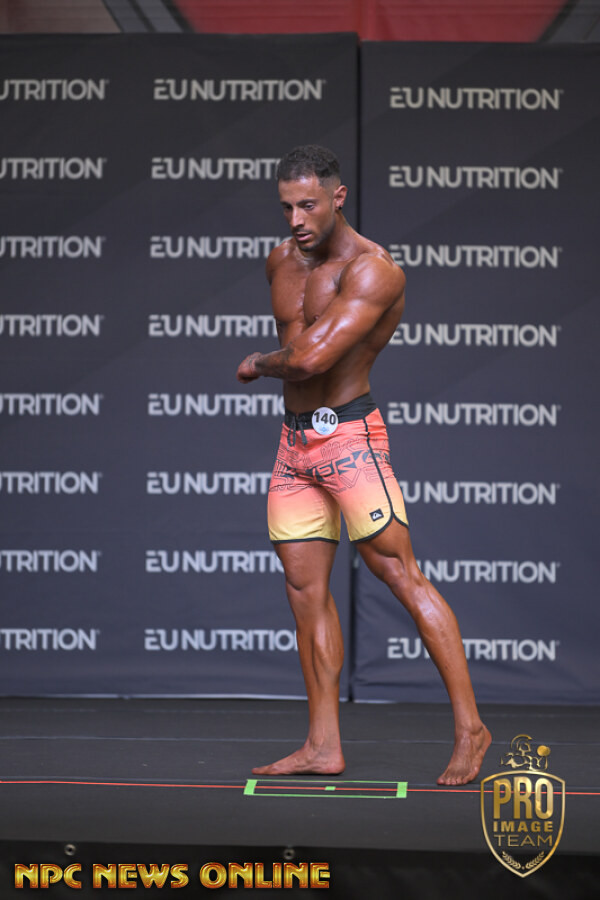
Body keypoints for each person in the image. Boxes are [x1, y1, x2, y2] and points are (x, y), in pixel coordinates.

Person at [236, 145, 491, 785]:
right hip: (294, 446)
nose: (296, 219)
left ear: (338, 197)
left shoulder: (374, 271)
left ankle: (471, 728)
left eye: (308, 205)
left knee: (399, 573)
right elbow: (298, 345)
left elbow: (311, 358)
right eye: (287, 207)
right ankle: (323, 745)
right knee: (304, 593)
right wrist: (276, 365)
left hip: (350, 440)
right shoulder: (279, 261)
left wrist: (258, 363)